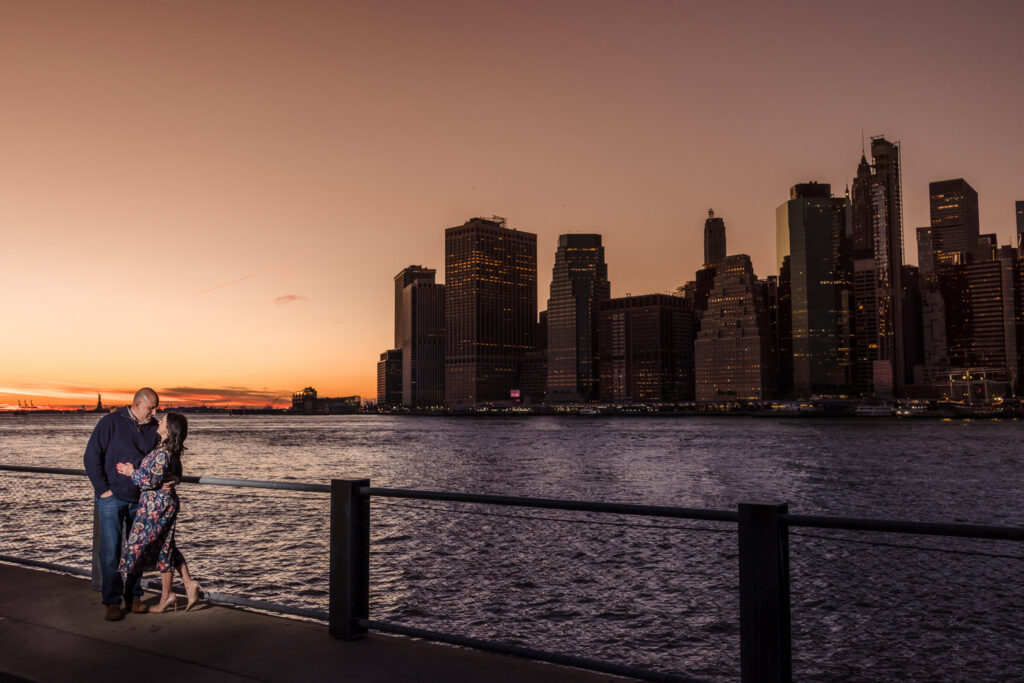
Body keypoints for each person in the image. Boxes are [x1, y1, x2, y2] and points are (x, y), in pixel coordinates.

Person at [84, 387, 168, 621]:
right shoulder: (110, 422)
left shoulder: (153, 429)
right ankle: (112, 601)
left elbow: (163, 460)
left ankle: (134, 597)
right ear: (139, 404)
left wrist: (168, 480)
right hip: (111, 498)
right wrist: (103, 490)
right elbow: (92, 456)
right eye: (152, 408)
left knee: (136, 550)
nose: (155, 412)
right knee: (110, 551)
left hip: (141, 499)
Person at [116, 412, 203, 613]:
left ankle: (122, 592)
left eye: (163, 421)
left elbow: (150, 481)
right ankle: (175, 591)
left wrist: (131, 472)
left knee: (136, 545)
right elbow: (172, 473)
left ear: (169, 428)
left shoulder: (164, 453)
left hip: (157, 506)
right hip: (158, 504)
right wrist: (175, 478)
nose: (159, 421)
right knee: (166, 547)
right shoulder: (165, 449)